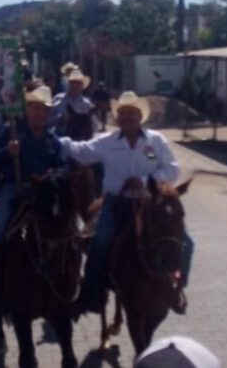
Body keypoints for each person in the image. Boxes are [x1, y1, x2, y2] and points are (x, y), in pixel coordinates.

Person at [59, 91, 192, 315]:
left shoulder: (152, 144)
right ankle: (91, 293)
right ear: (117, 118)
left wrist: (143, 181)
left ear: (140, 117)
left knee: (185, 243)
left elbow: (171, 169)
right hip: (116, 202)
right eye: (123, 113)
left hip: (148, 204)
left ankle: (176, 287)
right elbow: (81, 152)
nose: (127, 117)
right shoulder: (107, 143)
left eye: (132, 113)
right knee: (99, 243)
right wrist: (55, 139)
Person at [0, 85, 67, 307]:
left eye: (44, 110)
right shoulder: (11, 131)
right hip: (14, 189)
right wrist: (7, 152)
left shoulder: (52, 139)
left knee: (68, 228)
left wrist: (53, 174)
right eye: (36, 109)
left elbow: (64, 166)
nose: (40, 114)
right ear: (27, 110)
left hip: (45, 191)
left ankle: (69, 277)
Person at [50, 68, 96, 135]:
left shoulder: (87, 104)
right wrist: (60, 119)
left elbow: (95, 125)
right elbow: (46, 119)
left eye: (78, 83)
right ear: (68, 83)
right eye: (73, 83)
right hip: (60, 136)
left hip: (80, 138)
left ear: (82, 86)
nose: (75, 86)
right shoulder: (58, 99)